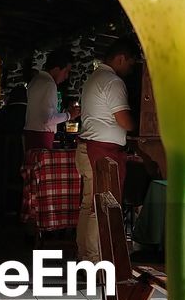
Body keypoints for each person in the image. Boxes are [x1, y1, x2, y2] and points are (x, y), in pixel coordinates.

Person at [76, 37, 139, 262]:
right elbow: (123, 120)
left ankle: (84, 256)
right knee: (99, 206)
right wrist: (137, 125)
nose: (131, 68)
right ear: (121, 58)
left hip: (87, 147)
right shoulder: (113, 81)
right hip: (102, 152)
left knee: (88, 205)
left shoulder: (94, 78)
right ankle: (94, 261)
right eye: (131, 62)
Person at [24, 48, 73, 152]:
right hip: (42, 136)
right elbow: (48, 119)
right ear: (56, 68)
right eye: (66, 71)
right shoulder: (49, 84)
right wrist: (69, 115)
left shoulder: (36, 80)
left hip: (31, 134)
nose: (66, 76)